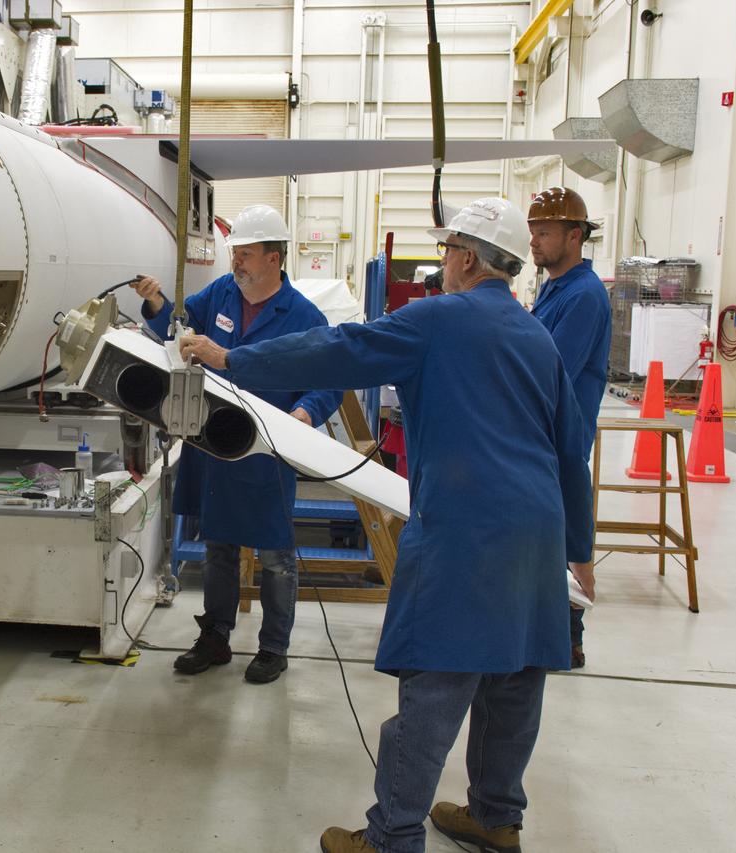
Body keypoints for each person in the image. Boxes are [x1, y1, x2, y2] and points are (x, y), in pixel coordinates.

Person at [178, 198, 596, 853]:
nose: (443, 262)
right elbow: (572, 446)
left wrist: (234, 361)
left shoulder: (435, 319)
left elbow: (339, 349)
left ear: (463, 257)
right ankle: (494, 817)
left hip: (464, 529)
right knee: (513, 683)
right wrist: (579, 550)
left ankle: (391, 835)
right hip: (538, 532)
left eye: (447, 251)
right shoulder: (535, 333)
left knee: (435, 682)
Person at [133, 203, 341, 684]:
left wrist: (304, 413)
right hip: (214, 441)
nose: (237, 263)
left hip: (267, 449)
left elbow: (330, 379)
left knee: (275, 555)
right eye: (236, 254)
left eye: (246, 254)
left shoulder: (303, 316)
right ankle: (215, 638)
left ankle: (273, 647)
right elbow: (178, 329)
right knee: (219, 547)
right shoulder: (222, 294)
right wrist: (156, 303)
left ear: (275, 258)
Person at [527, 186, 612, 669]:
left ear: (574, 236)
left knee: (561, 536)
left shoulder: (584, 296)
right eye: (533, 232)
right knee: (547, 536)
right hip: (545, 432)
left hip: (561, 436)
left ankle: (569, 639)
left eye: (544, 233)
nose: (534, 241)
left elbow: (551, 368)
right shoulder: (555, 287)